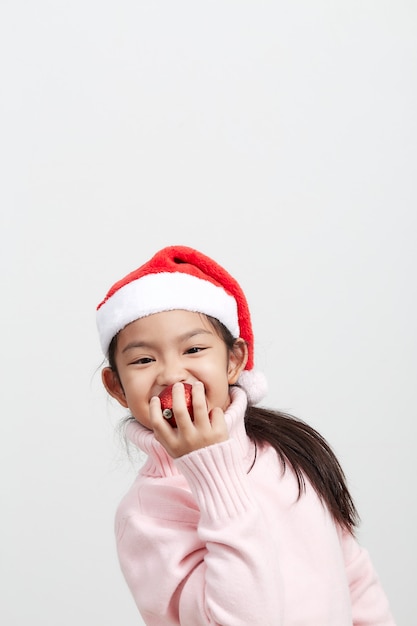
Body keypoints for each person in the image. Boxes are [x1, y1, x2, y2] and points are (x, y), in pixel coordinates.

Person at [96, 245, 396, 626]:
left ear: (234, 360)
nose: (171, 374)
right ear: (117, 387)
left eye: (193, 349)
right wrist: (211, 470)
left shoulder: (284, 451)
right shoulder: (145, 516)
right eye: (143, 360)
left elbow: (353, 575)